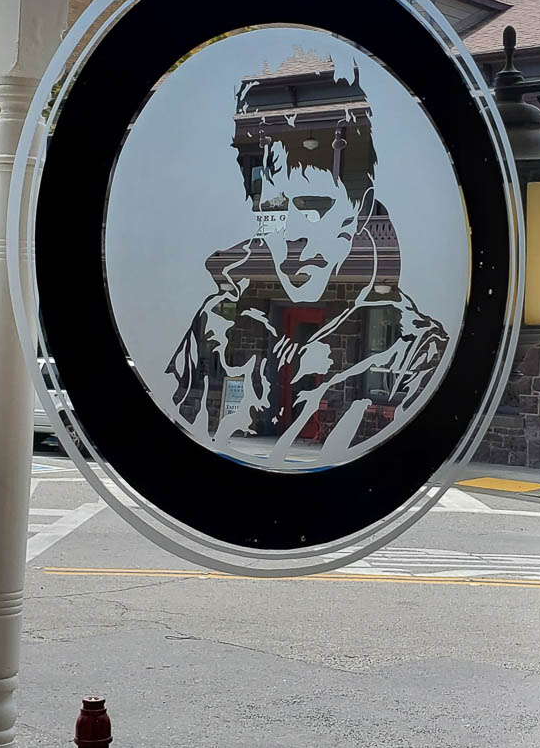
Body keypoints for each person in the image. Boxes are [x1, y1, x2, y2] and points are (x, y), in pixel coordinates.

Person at [166, 50, 448, 462]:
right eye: (276, 208)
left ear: (359, 211)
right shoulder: (214, 325)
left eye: (313, 208)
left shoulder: (416, 345)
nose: (292, 235)